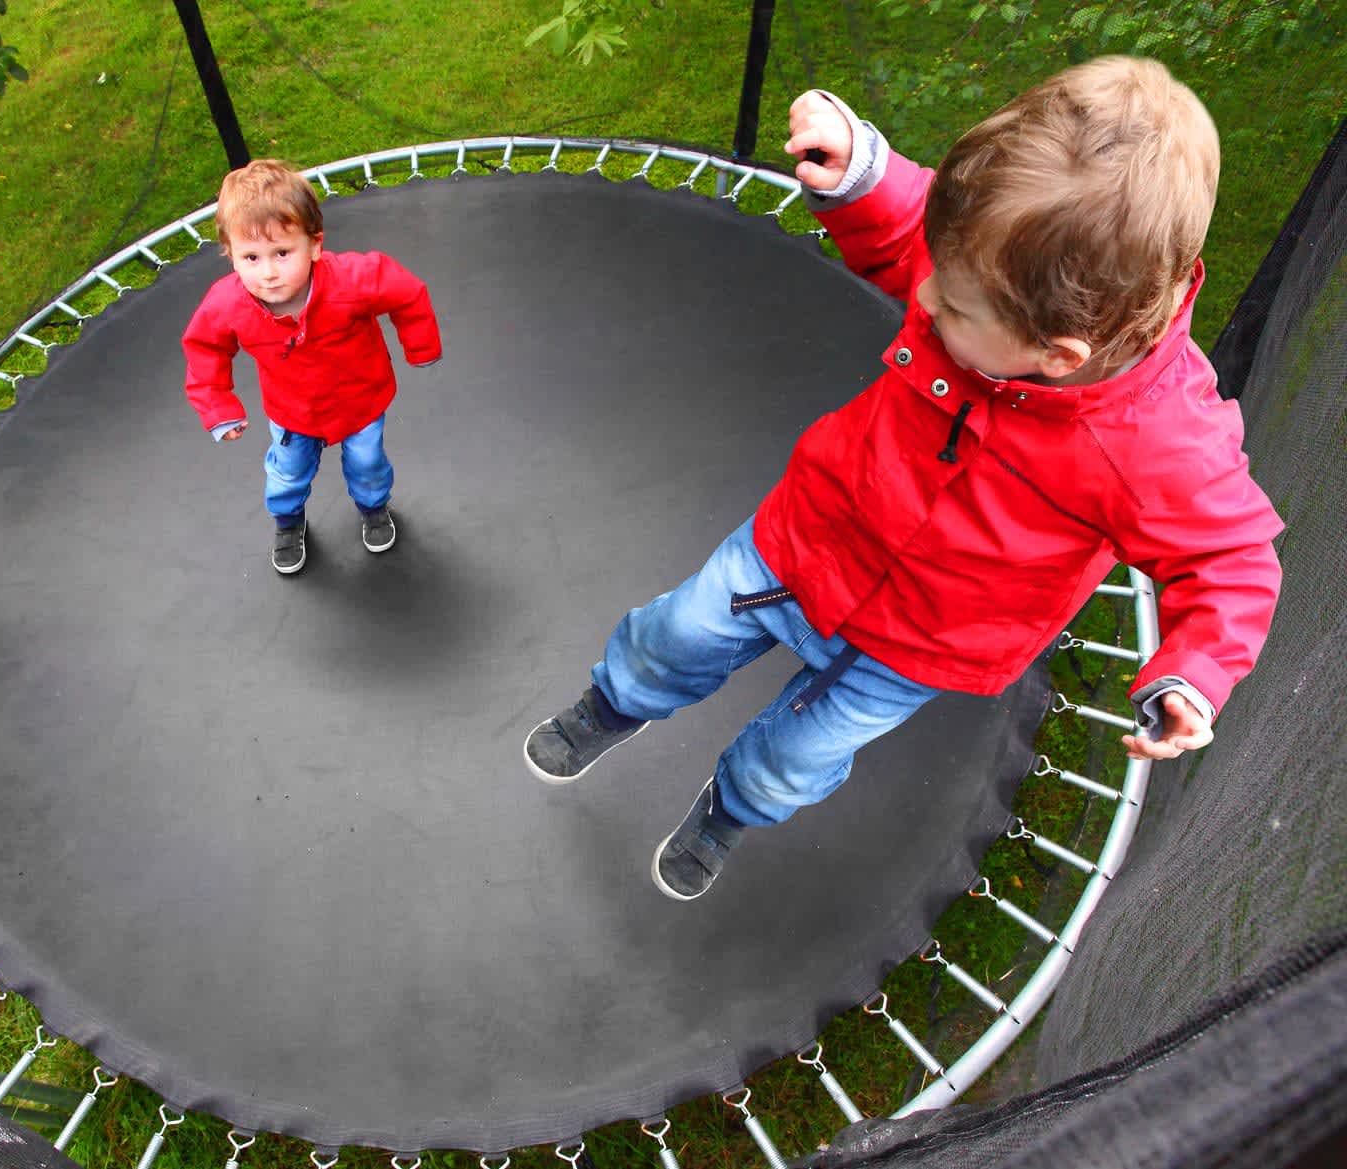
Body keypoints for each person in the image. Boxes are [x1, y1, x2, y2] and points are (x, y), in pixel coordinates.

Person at [523, 57, 1283, 901]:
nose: (923, 294)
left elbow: (1232, 561)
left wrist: (1191, 673)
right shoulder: (999, 259)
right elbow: (912, 230)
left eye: (952, 311)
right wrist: (861, 174)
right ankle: (615, 703)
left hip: (924, 644)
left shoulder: (1162, 441)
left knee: (797, 756)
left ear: (1056, 355)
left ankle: (731, 808)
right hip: (813, 536)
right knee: (677, 633)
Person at [182, 159, 442, 574]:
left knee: (368, 464)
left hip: (361, 400)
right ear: (230, 255)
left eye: (282, 253)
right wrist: (218, 408)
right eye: (251, 257)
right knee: (287, 475)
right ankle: (288, 522)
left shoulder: (351, 280)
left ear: (315, 244)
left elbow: (406, 292)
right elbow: (204, 349)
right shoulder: (226, 303)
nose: (268, 273)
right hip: (293, 413)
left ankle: (374, 509)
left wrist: (421, 345)